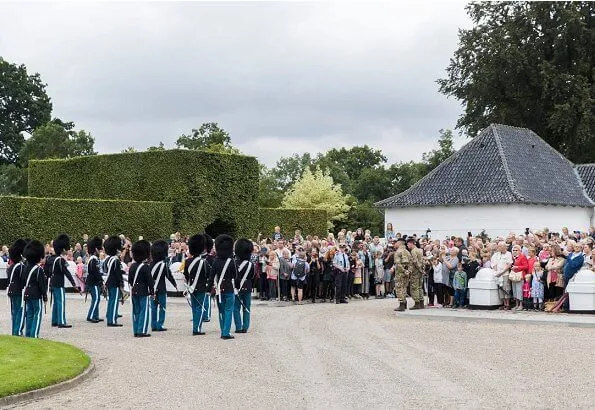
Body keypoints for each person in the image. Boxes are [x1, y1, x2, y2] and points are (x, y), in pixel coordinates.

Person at [47, 234, 79, 328]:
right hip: (59, 283)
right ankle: (61, 321)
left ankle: (55, 320)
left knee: (56, 302)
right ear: (62, 249)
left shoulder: (50, 259)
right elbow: (66, 272)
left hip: (52, 282)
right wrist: (73, 283)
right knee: (61, 301)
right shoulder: (60, 260)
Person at [209, 234, 236, 340]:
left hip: (219, 289)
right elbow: (235, 276)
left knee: (221, 311)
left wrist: (208, 291)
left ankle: (223, 330)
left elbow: (211, 278)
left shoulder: (216, 261)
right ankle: (226, 332)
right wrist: (237, 286)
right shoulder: (231, 262)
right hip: (229, 288)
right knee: (229, 310)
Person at [183, 234, 209, 335]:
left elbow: (186, 275)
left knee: (194, 308)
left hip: (191, 287)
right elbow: (208, 275)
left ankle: (195, 326)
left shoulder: (188, 261)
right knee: (199, 308)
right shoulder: (203, 262)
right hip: (201, 287)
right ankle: (197, 329)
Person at [150, 240, 178, 332]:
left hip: (152, 289)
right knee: (162, 307)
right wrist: (175, 285)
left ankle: (153, 325)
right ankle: (160, 324)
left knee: (153, 307)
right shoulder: (164, 265)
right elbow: (169, 275)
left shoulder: (151, 264)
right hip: (161, 289)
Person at [128, 240, 154, 338]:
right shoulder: (145, 267)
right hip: (143, 291)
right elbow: (150, 281)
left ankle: (136, 330)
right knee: (144, 310)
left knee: (136, 311)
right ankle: (142, 330)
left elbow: (130, 280)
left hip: (134, 290)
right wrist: (152, 291)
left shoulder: (132, 266)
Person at [21, 240, 47, 338]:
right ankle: (34, 334)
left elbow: (23, 281)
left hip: (27, 293)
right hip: (36, 294)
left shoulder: (26, 267)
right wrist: (44, 296)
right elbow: (42, 284)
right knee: (37, 314)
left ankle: (28, 334)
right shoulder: (38, 269)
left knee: (30, 314)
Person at [233, 238, 255, 333]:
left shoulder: (234, 263)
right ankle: (245, 327)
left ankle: (238, 327)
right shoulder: (251, 264)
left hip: (236, 287)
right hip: (248, 286)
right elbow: (252, 276)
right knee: (246, 307)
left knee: (236, 308)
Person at [7, 239, 27, 336]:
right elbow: (23, 280)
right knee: (19, 311)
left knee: (14, 312)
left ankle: (14, 331)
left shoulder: (11, 267)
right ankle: (18, 331)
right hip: (19, 291)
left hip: (11, 290)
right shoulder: (20, 266)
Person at [104, 236, 126, 327]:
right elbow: (117, 274)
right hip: (115, 283)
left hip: (109, 282)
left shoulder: (108, 259)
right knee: (114, 301)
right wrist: (121, 284)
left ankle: (110, 317)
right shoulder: (115, 260)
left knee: (111, 301)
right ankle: (112, 320)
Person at [85, 236, 104, 323]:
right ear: (96, 249)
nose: (100, 251)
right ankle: (91, 315)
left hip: (93, 281)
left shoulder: (94, 259)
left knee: (96, 299)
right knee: (96, 299)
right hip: (93, 282)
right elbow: (95, 272)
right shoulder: (93, 260)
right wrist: (100, 281)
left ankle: (95, 315)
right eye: (99, 249)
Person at [393, 238, 412, 312]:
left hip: (400, 273)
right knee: (404, 288)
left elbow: (398, 264)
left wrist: (404, 271)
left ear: (399, 243)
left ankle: (401, 304)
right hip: (406, 273)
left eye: (396, 243)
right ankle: (404, 303)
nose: (395, 244)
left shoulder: (398, 252)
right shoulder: (407, 252)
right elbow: (411, 262)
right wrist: (408, 271)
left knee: (399, 288)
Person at [408, 238, 425, 309]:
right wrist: (422, 269)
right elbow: (422, 261)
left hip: (415, 272)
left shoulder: (413, 251)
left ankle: (417, 303)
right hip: (420, 272)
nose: (407, 245)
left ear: (412, 243)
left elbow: (415, 261)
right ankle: (421, 303)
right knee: (420, 287)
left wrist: (420, 269)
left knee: (415, 287)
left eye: (408, 244)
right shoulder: (419, 250)